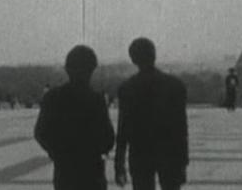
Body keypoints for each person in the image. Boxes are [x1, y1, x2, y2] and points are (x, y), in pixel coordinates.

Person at [34, 45, 115, 190]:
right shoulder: (96, 100)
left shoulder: (52, 98)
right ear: (91, 70)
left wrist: (57, 152)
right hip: (92, 170)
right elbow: (108, 138)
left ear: (67, 69)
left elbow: (41, 133)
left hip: (64, 170)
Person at [114, 38, 188, 190]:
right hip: (169, 153)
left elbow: (123, 130)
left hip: (140, 153)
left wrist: (119, 164)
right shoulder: (175, 85)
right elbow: (181, 128)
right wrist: (183, 162)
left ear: (133, 59)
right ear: (154, 54)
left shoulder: (127, 88)